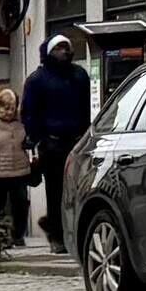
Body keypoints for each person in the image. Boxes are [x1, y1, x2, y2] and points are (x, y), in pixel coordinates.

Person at [21, 35, 92, 246]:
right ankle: (57, 236)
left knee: (80, 190)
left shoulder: (79, 75)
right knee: (55, 192)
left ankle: (72, 232)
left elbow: (90, 104)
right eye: (59, 48)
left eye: (66, 47)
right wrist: (37, 139)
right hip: (52, 144)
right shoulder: (37, 79)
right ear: (50, 52)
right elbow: (29, 112)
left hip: (78, 142)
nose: (64, 52)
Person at [0, 81, 34, 247]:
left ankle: (18, 235)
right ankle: (1, 237)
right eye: (6, 108)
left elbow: (28, 138)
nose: (10, 112)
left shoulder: (22, 120)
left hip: (19, 169)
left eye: (13, 108)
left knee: (21, 204)